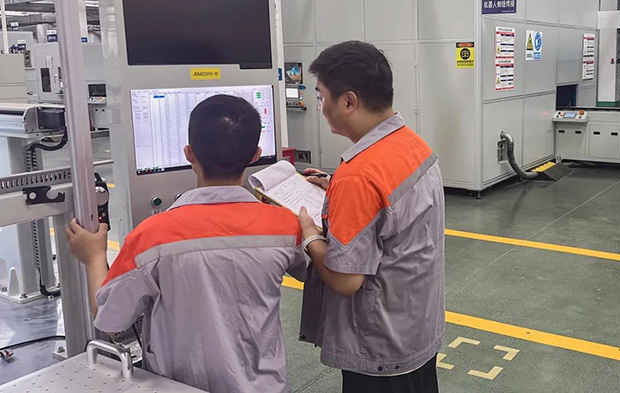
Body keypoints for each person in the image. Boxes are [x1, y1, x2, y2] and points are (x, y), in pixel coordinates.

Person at [66, 94, 308, 393]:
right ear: (256, 155)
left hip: (179, 386)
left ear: (189, 153)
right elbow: (316, 271)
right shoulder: (284, 226)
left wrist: (93, 257)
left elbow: (111, 321)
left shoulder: (152, 236)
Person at [297, 41, 446, 393]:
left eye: (321, 97)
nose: (320, 107)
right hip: (416, 328)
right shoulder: (411, 143)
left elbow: (345, 280)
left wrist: (309, 234)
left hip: (379, 348)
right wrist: (335, 188)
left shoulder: (359, 175)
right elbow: (391, 208)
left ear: (349, 102)